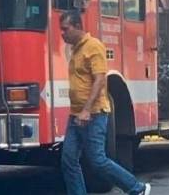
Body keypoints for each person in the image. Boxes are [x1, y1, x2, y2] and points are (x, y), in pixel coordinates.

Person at [58, 11, 151, 195]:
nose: (62, 33)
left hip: (94, 113)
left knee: (97, 160)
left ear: (77, 26)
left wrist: (86, 111)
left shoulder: (94, 46)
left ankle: (136, 188)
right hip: (76, 115)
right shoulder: (76, 49)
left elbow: (100, 80)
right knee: (68, 160)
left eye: (65, 29)